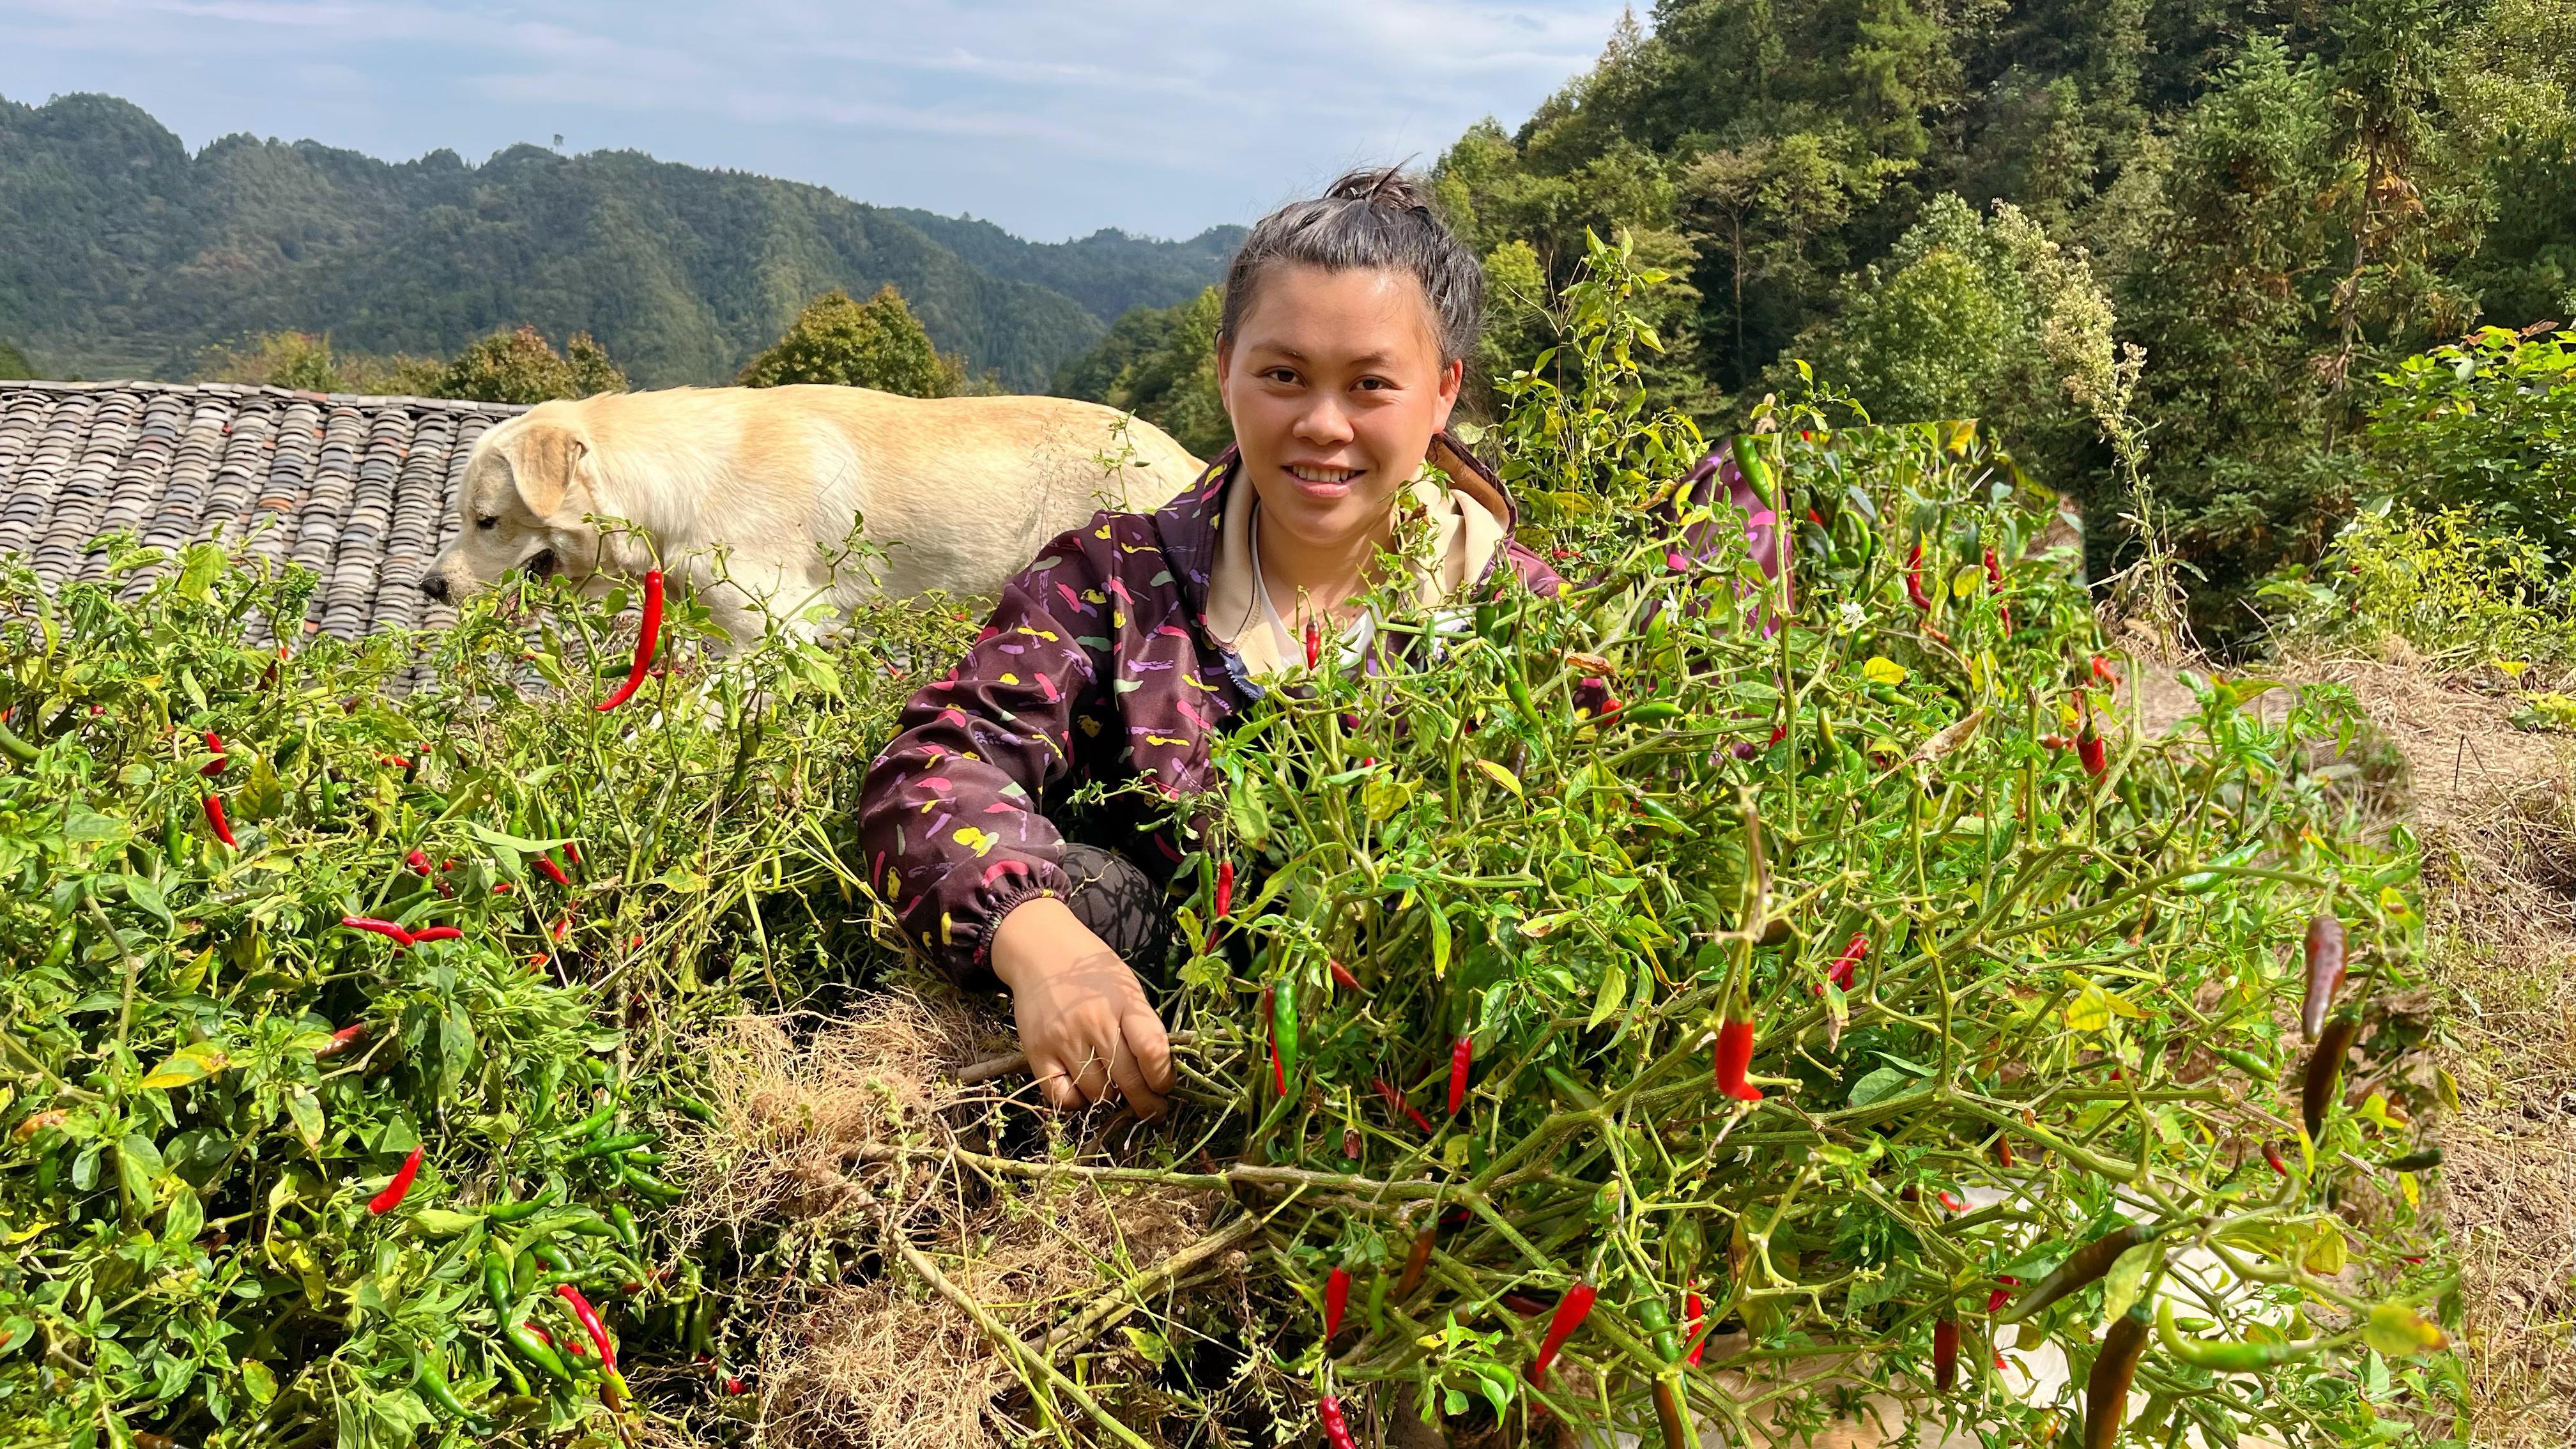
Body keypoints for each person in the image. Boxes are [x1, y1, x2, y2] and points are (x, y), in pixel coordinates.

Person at [855, 167, 1561, 1117]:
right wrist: (1037, 940)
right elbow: (936, 762)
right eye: (1282, 375)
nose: (1322, 424)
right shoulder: (1114, 583)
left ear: (1441, 394)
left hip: (1418, 1097)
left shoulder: (1528, 619)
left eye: (1371, 385)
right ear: (1223, 366)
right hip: (1154, 1074)